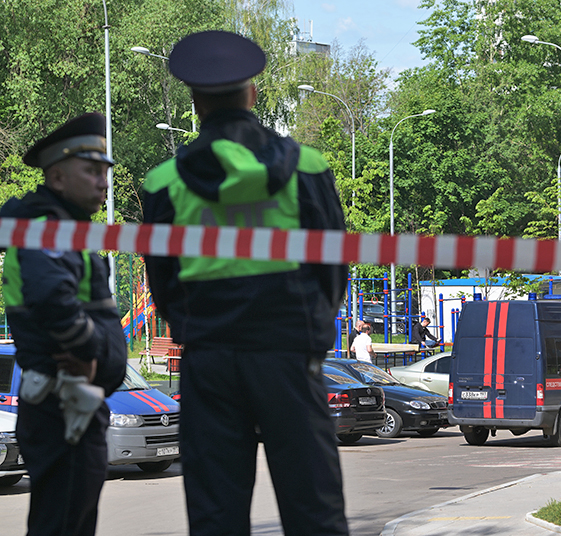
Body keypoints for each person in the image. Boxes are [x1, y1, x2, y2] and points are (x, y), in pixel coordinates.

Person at [141, 31, 349, 536]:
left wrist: (195, 329)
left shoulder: (163, 182)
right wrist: (312, 334)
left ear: (195, 103)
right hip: (289, 354)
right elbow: (333, 267)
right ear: (252, 94)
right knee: (314, 508)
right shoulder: (306, 166)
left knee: (215, 512)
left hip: (210, 360)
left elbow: (161, 281)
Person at [0, 113, 127, 536]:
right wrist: (89, 352)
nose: (103, 183)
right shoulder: (44, 228)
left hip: (70, 406)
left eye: (105, 172)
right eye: (91, 171)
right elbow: (52, 299)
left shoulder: (61, 227)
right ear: (56, 176)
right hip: (62, 406)